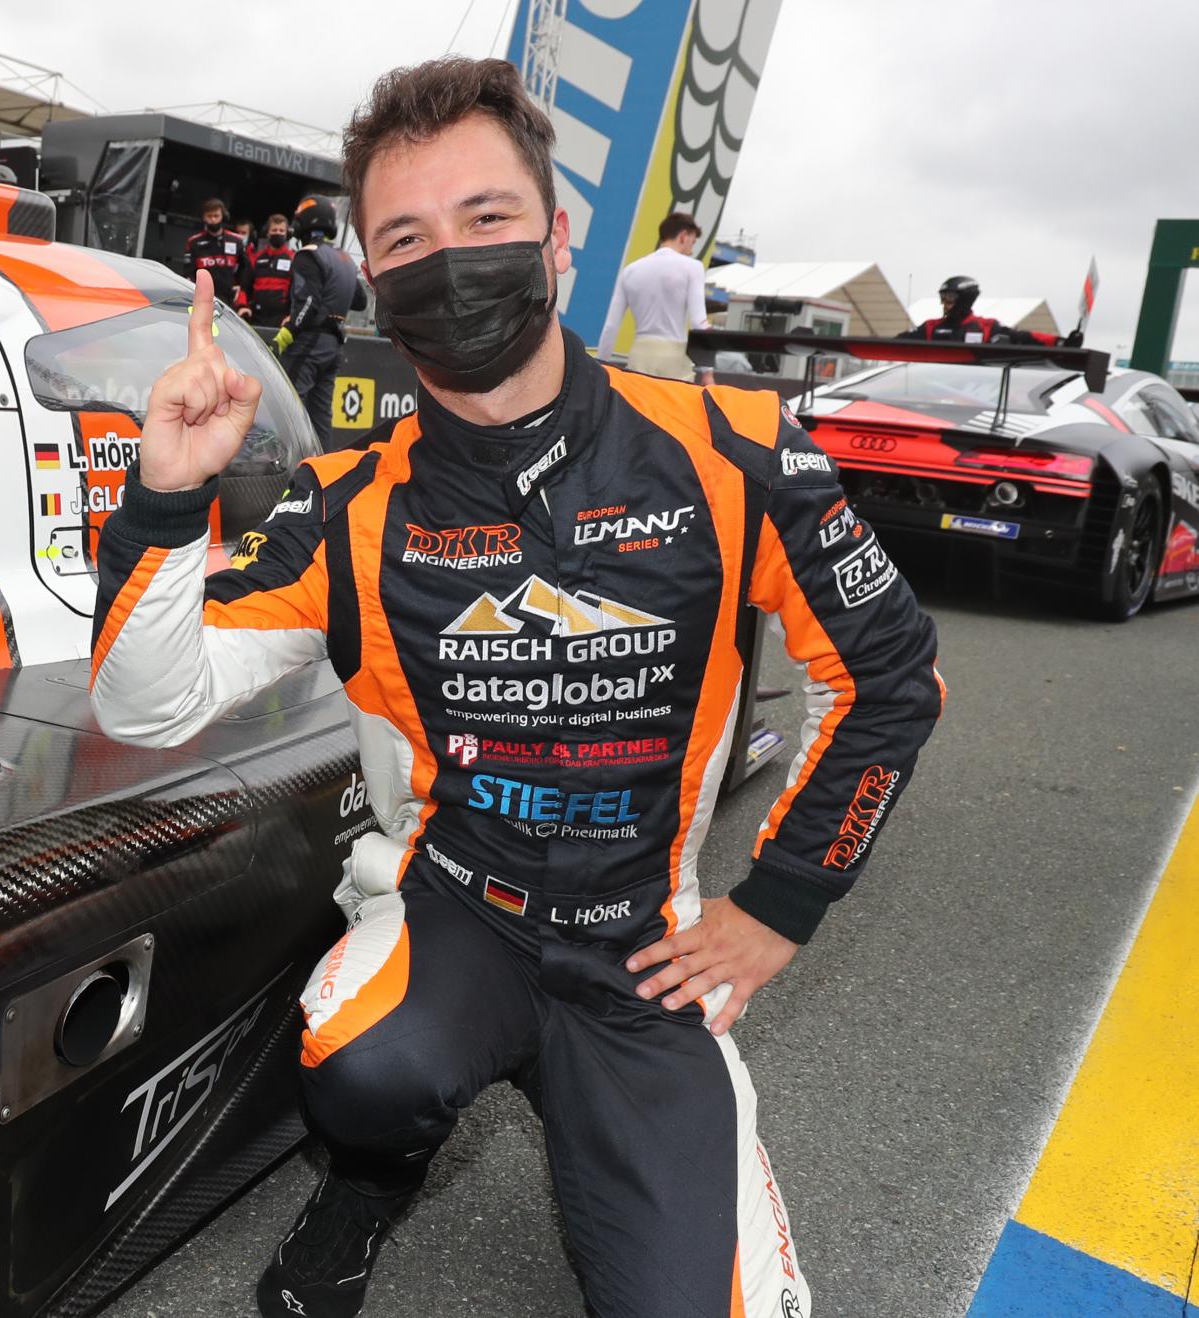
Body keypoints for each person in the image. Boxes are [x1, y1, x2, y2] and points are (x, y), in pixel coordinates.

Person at [90, 55, 943, 1318]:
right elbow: (146, 705)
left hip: (643, 951)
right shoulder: (348, 505)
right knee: (364, 1065)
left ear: (555, 236)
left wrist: (782, 901)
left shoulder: (735, 448)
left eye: (485, 217)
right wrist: (168, 491)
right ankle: (368, 1182)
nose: (451, 259)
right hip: (456, 915)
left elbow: (890, 679)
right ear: (372, 273)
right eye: (406, 238)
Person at [272, 196, 366, 439]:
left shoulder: (308, 255)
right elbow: (360, 301)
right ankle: (321, 459)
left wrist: (289, 331)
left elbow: (309, 302)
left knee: (289, 405)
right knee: (320, 414)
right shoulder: (345, 258)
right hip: (333, 345)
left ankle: (288, 460)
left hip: (309, 342)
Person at [596, 210, 713, 382]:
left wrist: (600, 366)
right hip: (673, 360)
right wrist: (708, 372)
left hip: (639, 357)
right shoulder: (693, 267)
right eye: (692, 242)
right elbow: (699, 323)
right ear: (683, 236)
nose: (691, 249)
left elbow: (611, 327)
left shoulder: (630, 271)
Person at [901, 275, 1083, 347]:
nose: (944, 303)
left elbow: (1024, 337)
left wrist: (1062, 342)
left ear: (964, 298)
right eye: (942, 298)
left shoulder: (986, 327)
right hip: (930, 392)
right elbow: (895, 343)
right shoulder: (930, 327)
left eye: (949, 297)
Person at [181, 198, 253, 314]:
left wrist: (241, 288)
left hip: (229, 300)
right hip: (203, 300)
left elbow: (246, 269)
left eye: (216, 216)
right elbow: (188, 273)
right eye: (209, 216)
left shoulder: (236, 240)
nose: (213, 220)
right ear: (204, 217)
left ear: (223, 216)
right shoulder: (194, 242)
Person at [245, 213, 297, 328]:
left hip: (282, 320)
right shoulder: (255, 258)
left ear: (287, 233)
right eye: (274, 230)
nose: (278, 233)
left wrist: (292, 316)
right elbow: (245, 286)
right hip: (256, 317)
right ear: (267, 233)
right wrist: (242, 306)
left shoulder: (294, 258)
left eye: (281, 230)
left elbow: (297, 291)